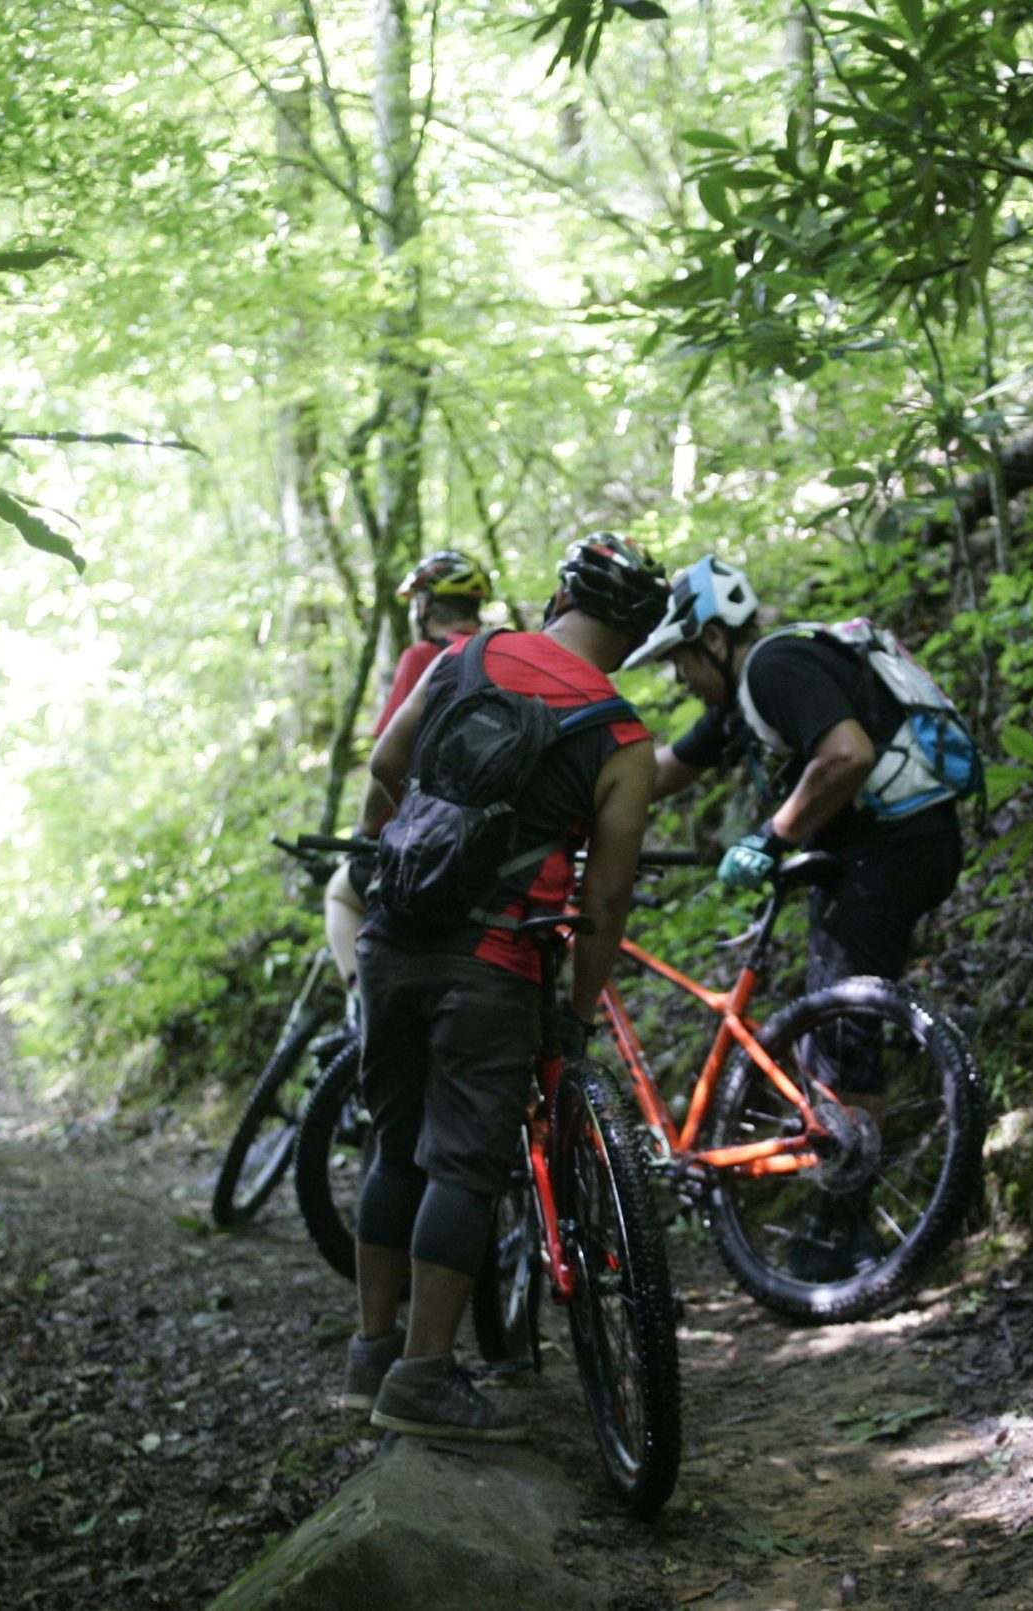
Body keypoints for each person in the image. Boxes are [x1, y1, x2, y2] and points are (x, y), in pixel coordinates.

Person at [341, 532, 665, 1442]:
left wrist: (390, 871)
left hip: (394, 937)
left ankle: (370, 1355)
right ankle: (424, 1377)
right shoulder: (623, 738)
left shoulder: (465, 655)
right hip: (493, 964)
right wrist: (573, 1012)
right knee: (465, 1164)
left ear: (561, 594)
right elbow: (603, 893)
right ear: (637, 633)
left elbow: (385, 767)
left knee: (394, 1145)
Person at [623, 556, 967, 1276]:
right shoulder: (740, 704)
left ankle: (852, 1235)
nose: (677, 678)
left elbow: (847, 752)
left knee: (843, 1031)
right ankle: (840, 1226)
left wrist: (771, 836)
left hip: (888, 850)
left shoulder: (777, 666)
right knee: (835, 1023)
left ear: (714, 639)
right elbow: (657, 774)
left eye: (681, 658)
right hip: (883, 850)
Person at [321, 550, 494, 985]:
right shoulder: (501, 656)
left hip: (427, 844)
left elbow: (388, 761)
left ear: (425, 606)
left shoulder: (422, 658)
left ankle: (360, 1005)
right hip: (493, 842)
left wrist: (366, 832)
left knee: (341, 894)